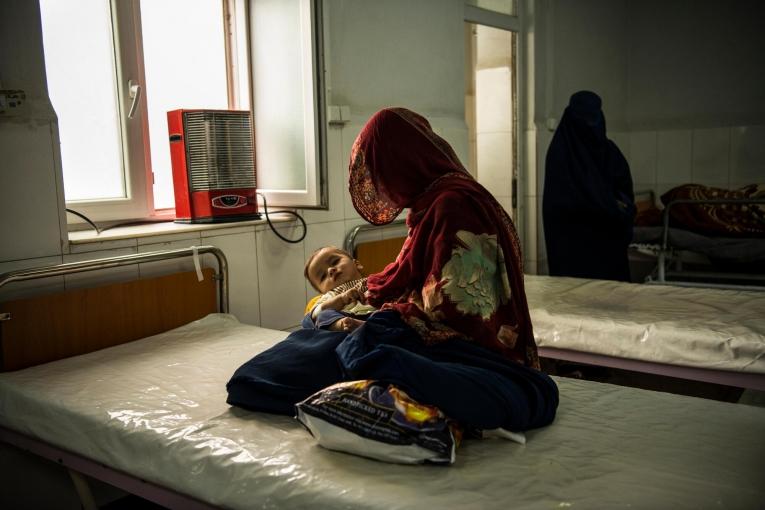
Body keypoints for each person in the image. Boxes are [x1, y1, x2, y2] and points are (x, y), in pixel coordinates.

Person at [349, 107, 540, 369]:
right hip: (459, 352)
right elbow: (406, 272)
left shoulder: (453, 205)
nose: (384, 187)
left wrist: (383, 319)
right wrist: (359, 293)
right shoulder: (432, 202)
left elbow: (454, 310)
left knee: (351, 348)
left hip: (477, 358)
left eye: (383, 173)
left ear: (402, 162)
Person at [542, 90, 636, 282]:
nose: (590, 125)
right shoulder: (561, 156)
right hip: (572, 248)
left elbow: (624, 192)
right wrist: (609, 206)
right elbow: (560, 204)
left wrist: (617, 208)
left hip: (606, 248)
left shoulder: (609, 153)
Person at [303, 246, 376, 332]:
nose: (330, 270)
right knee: (323, 315)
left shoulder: (374, 280)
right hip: (348, 319)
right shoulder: (331, 295)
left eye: (335, 262)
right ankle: (343, 325)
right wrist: (341, 299)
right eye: (323, 276)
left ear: (357, 264)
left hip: (377, 315)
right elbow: (315, 314)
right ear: (322, 292)